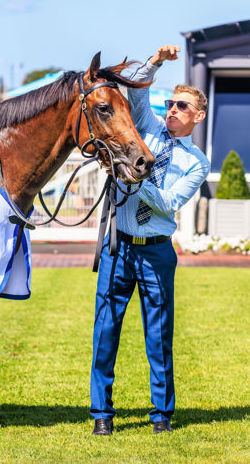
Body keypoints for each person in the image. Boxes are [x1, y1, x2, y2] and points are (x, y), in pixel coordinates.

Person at [90, 45, 210, 436]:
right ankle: (101, 414)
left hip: (157, 251)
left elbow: (168, 204)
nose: (173, 110)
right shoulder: (147, 126)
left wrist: (133, 176)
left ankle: (162, 415)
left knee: (159, 335)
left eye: (182, 106)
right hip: (119, 246)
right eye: (172, 103)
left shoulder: (197, 163)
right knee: (105, 330)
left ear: (198, 117)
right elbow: (138, 90)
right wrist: (155, 62)